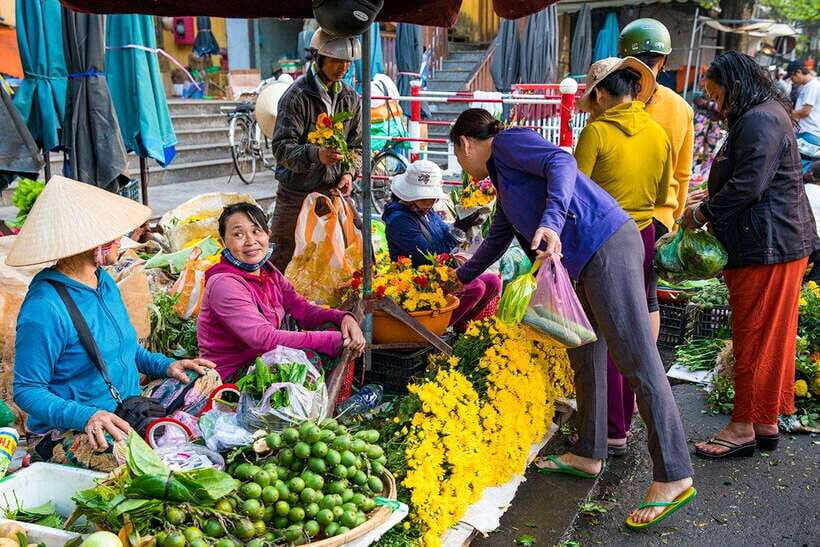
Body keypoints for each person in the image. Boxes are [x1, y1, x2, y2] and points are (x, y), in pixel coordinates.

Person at [450, 109, 695, 529]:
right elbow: (498, 236)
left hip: (607, 247)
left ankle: (673, 474)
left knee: (638, 361)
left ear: (465, 144)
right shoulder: (504, 181)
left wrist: (551, 222)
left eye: (457, 156)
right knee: (584, 351)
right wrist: (456, 279)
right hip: (584, 264)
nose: (460, 164)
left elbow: (561, 161)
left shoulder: (508, 143)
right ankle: (588, 451)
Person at [11, 176, 217, 472]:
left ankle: (159, 438)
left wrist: (167, 365)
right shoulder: (44, 308)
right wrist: (85, 416)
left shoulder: (103, 280)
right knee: (132, 458)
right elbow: (27, 390)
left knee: (204, 379)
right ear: (92, 245)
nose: (121, 242)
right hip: (75, 428)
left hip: (126, 407)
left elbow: (127, 348)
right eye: (113, 236)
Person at [682, 52, 817, 458]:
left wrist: (702, 212)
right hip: (774, 243)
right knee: (768, 337)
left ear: (735, 86)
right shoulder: (766, 113)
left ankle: (742, 426)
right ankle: (764, 422)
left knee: (754, 336)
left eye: (716, 94)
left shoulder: (760, 118)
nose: (716, 104)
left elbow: (749, 185)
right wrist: (710, 195)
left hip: (768, 246)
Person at [575, 56, 672, 456]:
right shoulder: (659, 133)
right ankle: (622, 423)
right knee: (632, 332)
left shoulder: (596, 133)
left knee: (605, 334)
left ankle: (611, 430)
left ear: (600, 93)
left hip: (603, 240)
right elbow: (666, 193)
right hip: (644, 236)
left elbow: (573, 194)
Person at [197, 202, 365, 380]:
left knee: (331, 327)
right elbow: (263, 339)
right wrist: (333, 340)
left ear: (267, 234)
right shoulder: (224, 284)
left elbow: (302, 309)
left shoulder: (267, 271)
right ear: (223, 241)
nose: (250, 241)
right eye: (238, 234)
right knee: (307, 358)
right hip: (231, 374)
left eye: (256, 231)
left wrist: (344, 318)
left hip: (261, 358)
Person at [619, 18, 695, 336]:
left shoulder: (616, 100)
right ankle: (645, 366)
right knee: (648, 295)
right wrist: (675, 222)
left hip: (618, 214)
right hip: (660, 215)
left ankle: (620, 369)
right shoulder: (681, 108)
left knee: (616, 295)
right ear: (663, 62)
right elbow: (684, 173)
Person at [269, 28, 362, 272]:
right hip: (295, 196)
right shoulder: (295, 97)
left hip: (333, 195)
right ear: (318, 58)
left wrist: (349, 173)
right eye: (336, 60)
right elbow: (281, 148)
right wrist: (316, 154)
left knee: (340, 263)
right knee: (283, 259)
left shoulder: (351, 98)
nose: (343, 67)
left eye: (347, 62)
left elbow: (357, 145)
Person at [382, 160, 500, 329]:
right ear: (410, 197)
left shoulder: (426, 211)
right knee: (475, 287)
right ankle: (437, 331)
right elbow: (431, 255)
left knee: (493, 281)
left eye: (432, 199)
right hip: (420, 281)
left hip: (440, 273)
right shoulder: (399, 220)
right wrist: (459, 229)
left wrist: (463, 222)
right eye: (425, 200)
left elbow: (443, 233)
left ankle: (462, 327)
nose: (430, 204)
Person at [788, 62, 820, 171]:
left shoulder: (812, 86)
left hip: (809, 134)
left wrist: (787, 113)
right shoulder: (808, 86)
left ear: (799, 72)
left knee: (800, 170)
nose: (792, 80)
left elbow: (806, 111)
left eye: (792, 77)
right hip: (806, 133)